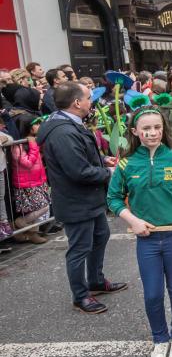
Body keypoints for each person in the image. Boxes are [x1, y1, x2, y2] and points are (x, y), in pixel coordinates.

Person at [107, 106, 172, 357]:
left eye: (157, 127)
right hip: (147, 239)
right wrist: (134, 221)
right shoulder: (126, 164)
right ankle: (160, 339)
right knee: (152, 294)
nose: (152, 133)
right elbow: (113, 198)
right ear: (135, 132)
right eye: (146, 128)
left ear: (164, 129)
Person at [36, 81, 126, 314]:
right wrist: (109, 172)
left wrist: (101, 160)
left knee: (101, 236)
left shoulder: (68, 124)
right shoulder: (63, 132)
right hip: (76, 201)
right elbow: (78, 171)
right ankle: (81, 295)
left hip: (88, 198)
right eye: (88, 98)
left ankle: (95, 280)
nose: (91, 101)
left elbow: (79, 157)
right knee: (79, 249)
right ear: (77, 102)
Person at [10, 116, 51, 244]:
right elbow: (27, 163)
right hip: (27, 183)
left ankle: (32, 234)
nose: (39, 126)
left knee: (37, 208)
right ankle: (20, 222)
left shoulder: (33, 141)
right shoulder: (18, 145)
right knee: (43, 207)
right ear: (27, 127)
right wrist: (33, 145)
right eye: (36, 124)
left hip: (38, 180)